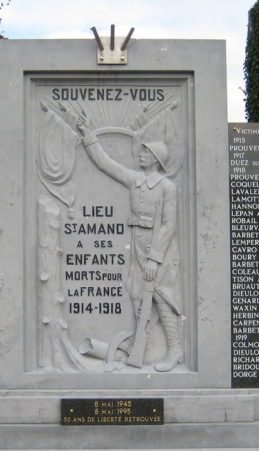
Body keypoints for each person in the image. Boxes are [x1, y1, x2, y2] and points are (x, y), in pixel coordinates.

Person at [77, 117, 183, 372]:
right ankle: (141, 344)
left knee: (160, 295)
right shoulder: (134, 180)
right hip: (137, 248)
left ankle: (175, 349)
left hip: (160, 251)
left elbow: (169, 225)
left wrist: (154, 258)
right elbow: (106, 164)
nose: (141, 154)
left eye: (146, 151)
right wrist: (88, 136)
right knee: (136, 292)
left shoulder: (167, 187)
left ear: (156, 159)